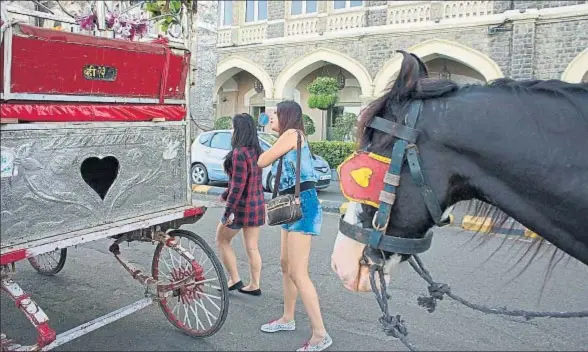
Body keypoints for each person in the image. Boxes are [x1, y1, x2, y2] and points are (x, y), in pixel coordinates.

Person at [257, 101, 332, 351]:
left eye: (275, 114)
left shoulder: (291, 134)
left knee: (299, 272)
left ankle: (320, 334)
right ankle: (287, 318)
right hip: (290, 203)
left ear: (287, 116)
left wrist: (262, 128)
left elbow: (262, 160)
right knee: (286, 265)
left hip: (303, 205)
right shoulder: (289, 136)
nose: (272, 118)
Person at [216, 113, 265, 296]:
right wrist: (224, 193)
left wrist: (227, 212)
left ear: (239, 130)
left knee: (222, 240)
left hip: (241, 207)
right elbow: (244, 182)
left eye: (233, 127)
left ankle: (234, 279)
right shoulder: (256, 151)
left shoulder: (239, 153)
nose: (231, 130)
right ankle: (254, 284)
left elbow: (237, 186)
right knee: (252, 247)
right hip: (257, 205)